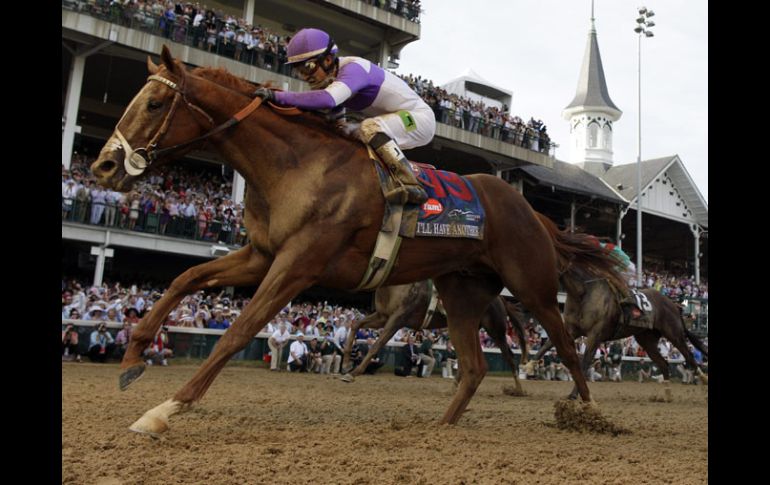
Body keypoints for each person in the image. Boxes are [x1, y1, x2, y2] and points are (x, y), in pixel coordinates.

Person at [260, 27, 435, 205]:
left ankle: (409, 182)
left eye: (308, 67)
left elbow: (328, 99)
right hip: (397, 118)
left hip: (417, 120)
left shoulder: (353, 69)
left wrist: (278, 96)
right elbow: (337, 126)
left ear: (328, 60)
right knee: (347, 134)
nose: (305, 76)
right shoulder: (331, 80)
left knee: (368, 128)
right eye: (298, 71)